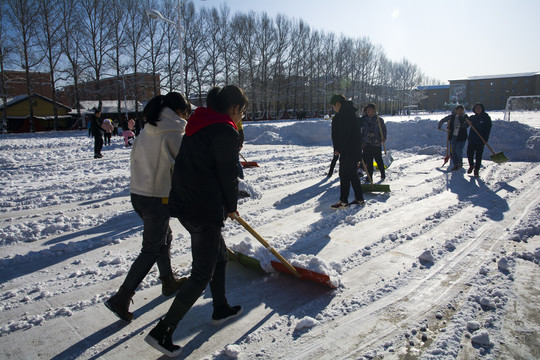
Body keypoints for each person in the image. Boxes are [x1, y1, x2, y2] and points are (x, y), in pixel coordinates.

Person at [144, 85, 247, 357]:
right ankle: (163, 331)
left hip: (186, 203)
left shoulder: (196, 125)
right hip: (203, 208)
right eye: (242, 112)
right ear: (234, 108)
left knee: (220, 255)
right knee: (202, 272)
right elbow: (227, 173)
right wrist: (231, 206)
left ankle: (220, 307)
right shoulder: (224, 130)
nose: (242, 118)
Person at [104, 92, 191, 322]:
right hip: (156, 199)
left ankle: (168, 281)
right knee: (151, 248)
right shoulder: (175, 132)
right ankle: (121, 298)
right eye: (187, 112)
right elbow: (184, 170)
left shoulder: (149, 129)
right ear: (180, 112)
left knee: (165, 236)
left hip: (139, 195)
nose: (187, 116)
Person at [329, 94, 364, 209]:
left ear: (338, 104)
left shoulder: (345, 115)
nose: (334, 109)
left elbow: (344, 135)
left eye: (334, 107)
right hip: (354, 150)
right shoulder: (350, 113)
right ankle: (359, 199)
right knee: (352, 174)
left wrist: (339, 148)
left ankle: (343, 201)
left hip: (348, 150)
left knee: (344, 175)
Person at [438, 105, 469, 170]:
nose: (460, 111)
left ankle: (460, 163)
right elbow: (443, 120)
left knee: (458, 150)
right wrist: (439, 125)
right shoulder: (452, 117)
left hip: (461, 136)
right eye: (458, 110)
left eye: (461, 110)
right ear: (456, 110)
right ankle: (455, 164)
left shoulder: (465, 117)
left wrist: (463, 123)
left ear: (463, 111)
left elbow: (466, 125)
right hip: (453, 136)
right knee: (453, 151)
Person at [362, 103, 387, 181]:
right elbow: (361, 132)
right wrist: (361, 141)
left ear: (374, 111)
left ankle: (382, 174)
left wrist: (383, 137)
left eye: (371, 110)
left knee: (378, 159)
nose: (369, 111)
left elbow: (383, 130)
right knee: (369, 162)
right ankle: (370, 177)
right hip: (367, 143)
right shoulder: (364, 120)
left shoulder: (379, 120)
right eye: (368, 110)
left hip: (376, 143)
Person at [466, 103, 492, 177]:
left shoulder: (486, 117)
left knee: (478, 155)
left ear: (482, 108)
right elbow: (465, 125)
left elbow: (488, 128)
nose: (477, 109)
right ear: (474, 109)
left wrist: (485, 138)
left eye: (479, 108)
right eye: (476, 108)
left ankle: (476, 170)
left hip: (481, 139)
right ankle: (471, 165)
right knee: (469, 154)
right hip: (472, 139)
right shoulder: (472, 118)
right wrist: (467, 122)